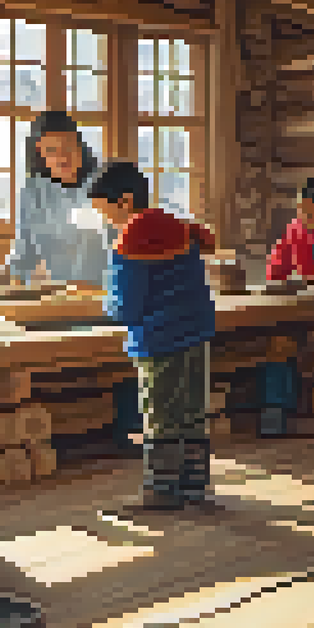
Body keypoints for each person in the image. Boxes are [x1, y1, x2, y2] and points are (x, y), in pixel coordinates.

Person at [88, 161, 218, 511]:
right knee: (191, 412)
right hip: (196, 330)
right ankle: (194, 486)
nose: (107, 222)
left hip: (160, 337)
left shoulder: (132, 237)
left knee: (159, 414)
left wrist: (105, 306)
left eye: (106, 213)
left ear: (125, 201)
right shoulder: (178, 226)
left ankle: (161, 490)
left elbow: (127, 307)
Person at [5, 110, 111, 287]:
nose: (62, 157)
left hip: (102, 294)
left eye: (68, 147)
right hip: (54, 295)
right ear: (40, 154)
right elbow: (23, 253)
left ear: (80, 147)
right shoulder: (33, 191)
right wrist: (15, 293)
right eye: (52, 150)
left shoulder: (105, 185)